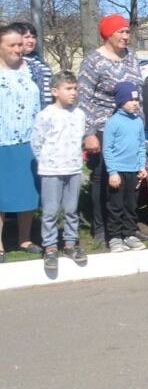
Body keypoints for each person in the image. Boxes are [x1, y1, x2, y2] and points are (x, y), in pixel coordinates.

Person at [77, 14, 144, 244]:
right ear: (107, 34)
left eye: (127, 31)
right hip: (102, 125)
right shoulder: (93, 60)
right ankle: (101, 227)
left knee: (129, 175)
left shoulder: (131, 58)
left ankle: (128, 226)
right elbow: (84, 99)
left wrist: (140, 126)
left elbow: (139, 93)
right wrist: (89, 133)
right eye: (121, 32)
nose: (126, 36)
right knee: (101, 177)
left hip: (130, 125)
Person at [30, 71, 88, 270]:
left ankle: (71, 244)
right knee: (51, 211)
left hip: (73, 169)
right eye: (68, 89)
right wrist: (47, 162)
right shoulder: (45, 115)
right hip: (51, 170)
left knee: (71, 210)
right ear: (55, 91)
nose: (73, 93)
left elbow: (80, 140)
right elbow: (36, 143)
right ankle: (50, 248)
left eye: (75, 89)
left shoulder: (79, 114)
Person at [0, 23, 42, 260]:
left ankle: (25, 239)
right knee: (0, 196)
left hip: (29, 141)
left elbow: (46, 101)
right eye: (12, 45)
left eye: (19, 44)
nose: (18, 48)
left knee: (28, 194)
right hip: (2, 141)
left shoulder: (33, 69)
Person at [103, 81, 147, 252]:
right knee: (116, 206)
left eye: (137, 100)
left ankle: (129, 234)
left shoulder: (138, 122)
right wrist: (112, 172)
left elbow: (141, 146)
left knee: (131, 206)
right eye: (131, 100)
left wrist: (141, 167)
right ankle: (114, 237)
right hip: (118, 172)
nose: (135, 103)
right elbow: (107, 149)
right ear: (121, 101)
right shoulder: (113, 122)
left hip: (133, 171)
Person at [14, 22, 51, 106]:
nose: (31, 41)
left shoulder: (37, 59)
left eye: (33, 37)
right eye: (26, 37)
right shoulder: (13, 62)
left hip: (46, 111)